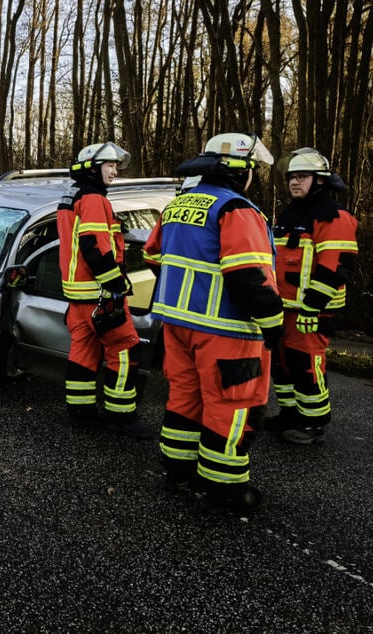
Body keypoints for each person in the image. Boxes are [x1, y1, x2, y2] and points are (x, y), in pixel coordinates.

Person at [143, 132, 284, 511]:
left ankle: (178, 470)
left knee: (185, 396)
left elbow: (154, 256)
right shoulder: (237, 209)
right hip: (228, 329)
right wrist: (274, 323)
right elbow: (248, 275)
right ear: (241, 170)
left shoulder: (178, 206)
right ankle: (225, 490)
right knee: (232, 405)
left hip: (177, 325)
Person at [56, 142, 152, 439]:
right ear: (92, 168)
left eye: (115, 165)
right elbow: (94, 245)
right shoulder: (94, 198)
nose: (114, 170)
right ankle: (121, 416)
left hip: (77, 295)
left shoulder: (70, 196)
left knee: (82, 351)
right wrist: (116, 284)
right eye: (109, 165)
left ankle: (80, 411)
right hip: (99, 294)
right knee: (124, 349)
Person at [266, 148, 358, 445]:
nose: (294, 182)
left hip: (312, 310)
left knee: (305, 364)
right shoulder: (289, 213)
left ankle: (312, 423)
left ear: (319, 180)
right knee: (281, 365)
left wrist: (312, 306)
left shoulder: (334, 215)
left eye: (302, 177)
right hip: (284, 307)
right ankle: (290, 414)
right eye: (292, 177)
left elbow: (336, 267)